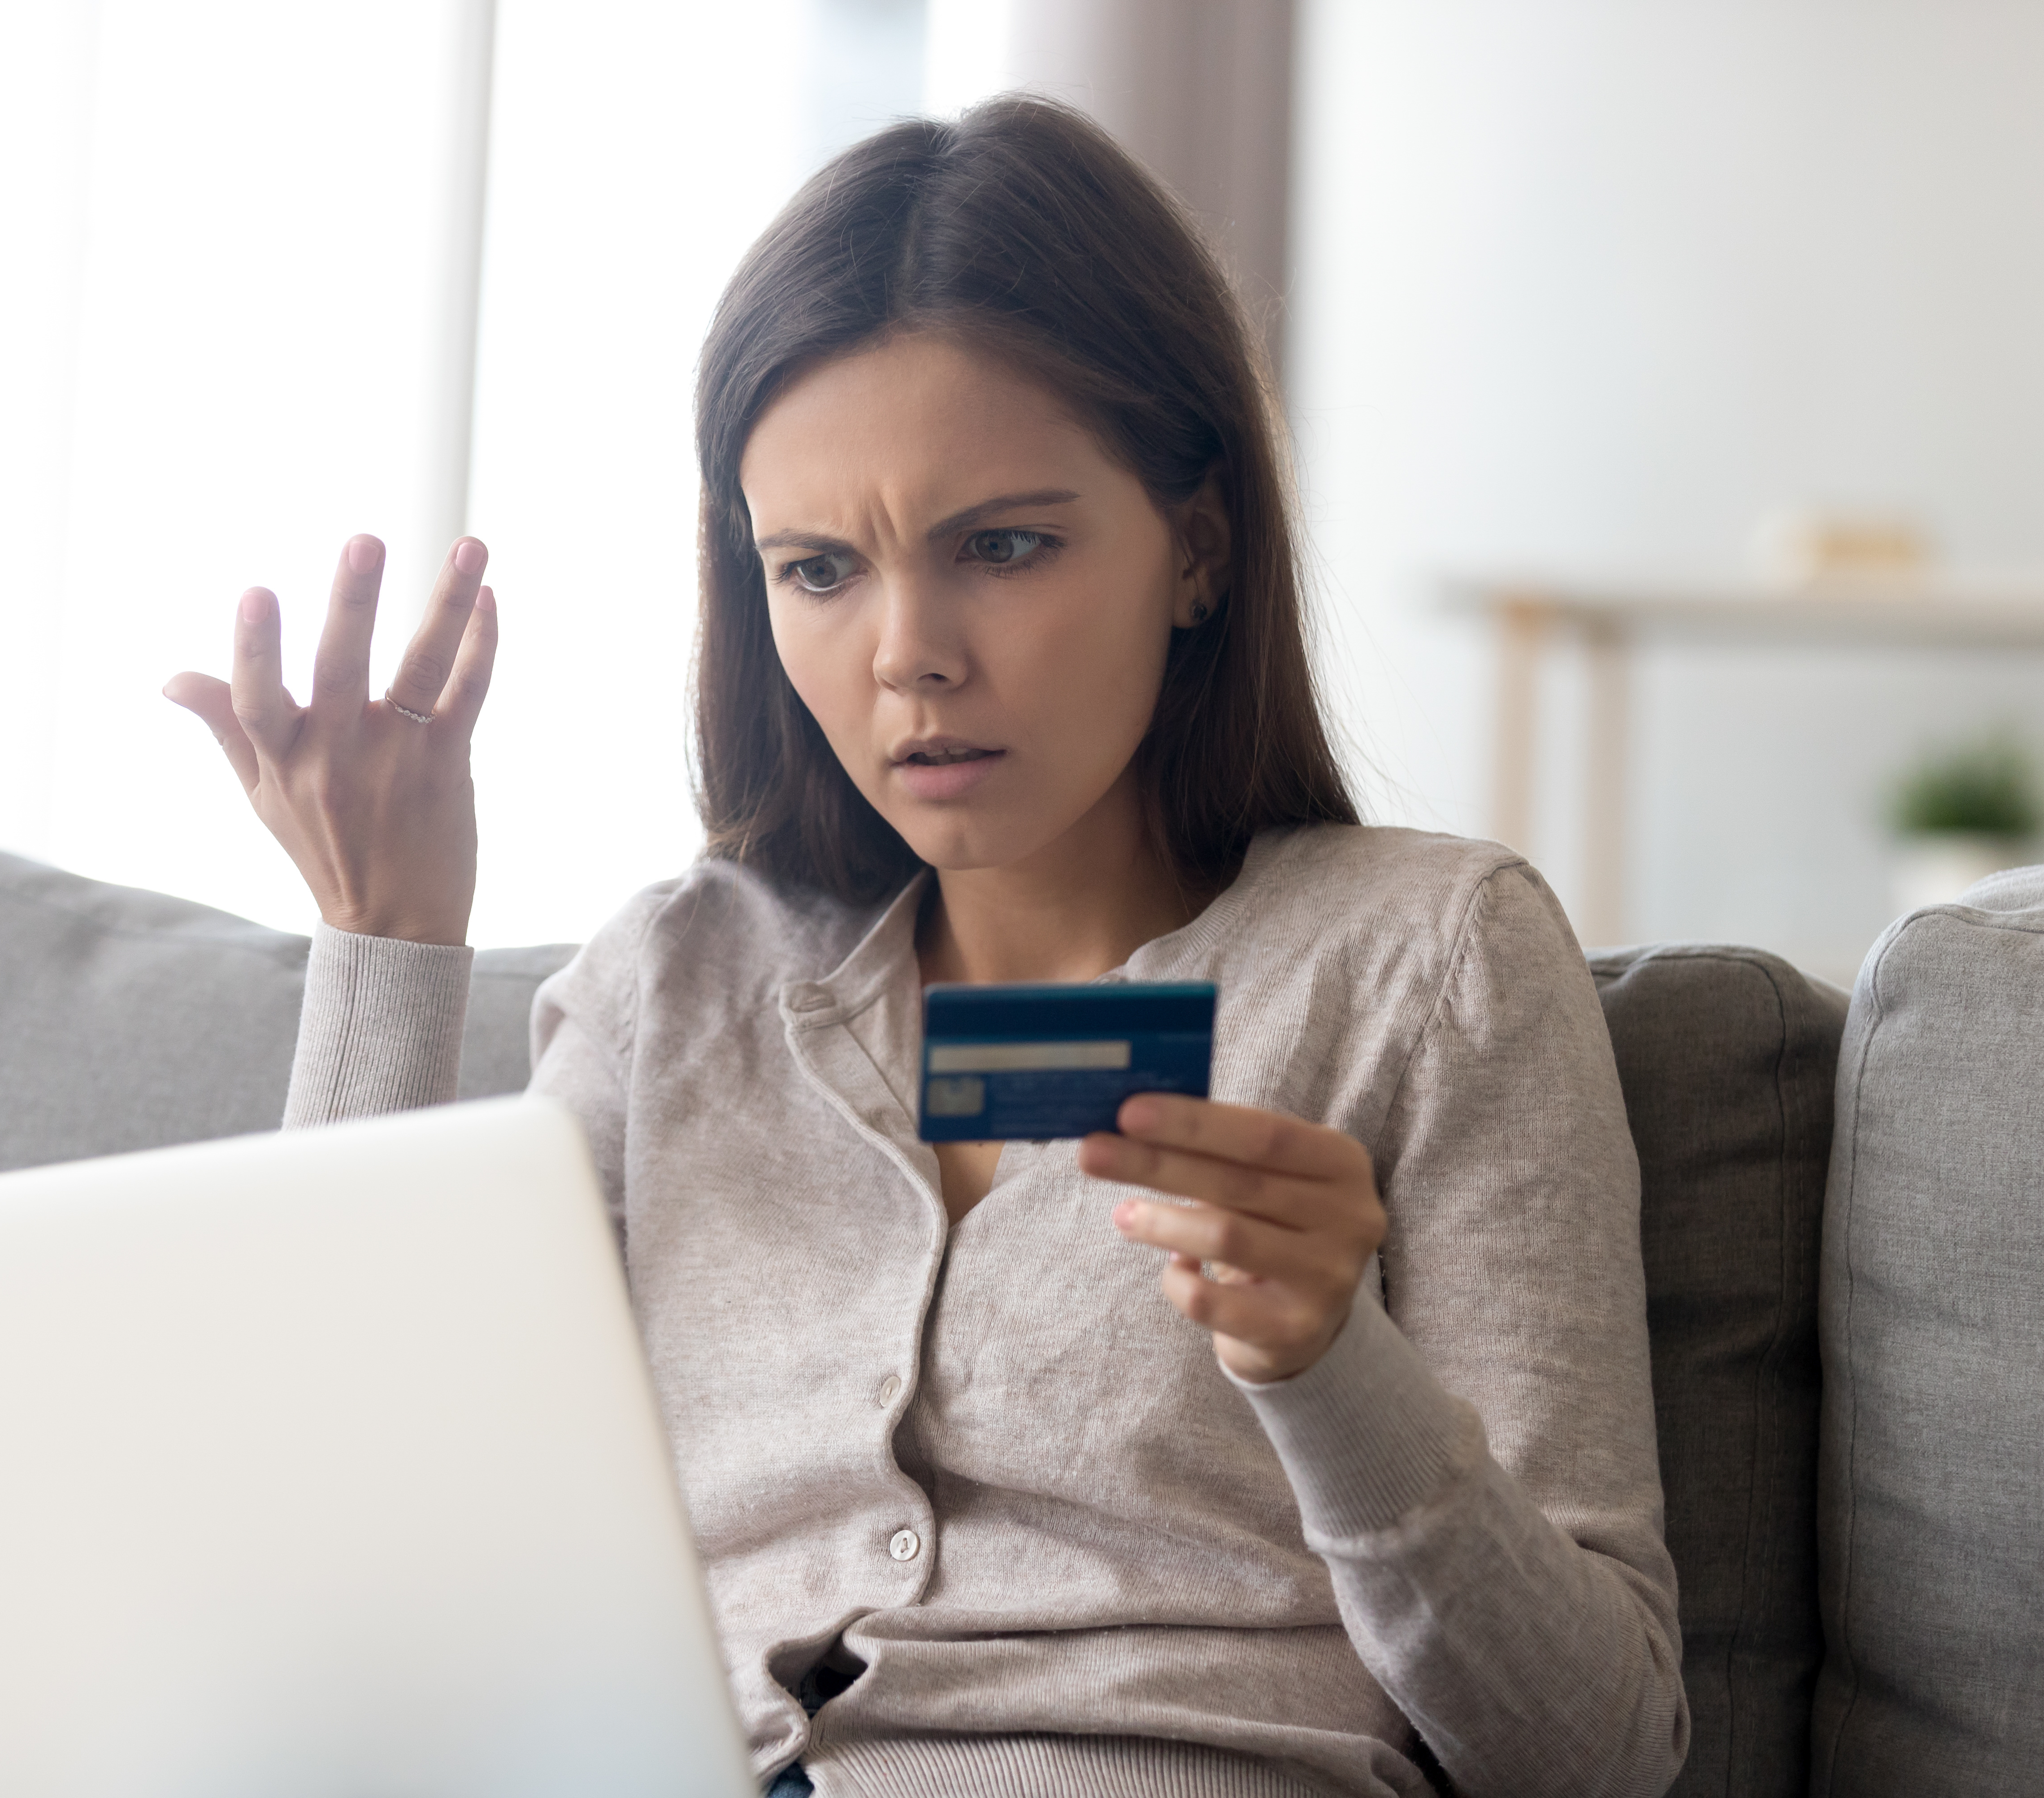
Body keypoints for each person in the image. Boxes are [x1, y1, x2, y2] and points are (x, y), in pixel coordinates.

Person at [166, 96, 1685, 1798]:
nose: (910, 657)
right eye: (819, 569)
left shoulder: (1429, 961)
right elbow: (330, 1571)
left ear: (1197, 548)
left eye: (1003, 547)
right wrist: (384, 942)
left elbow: (1603, 1752)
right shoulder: (682, 981)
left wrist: (1333, 1370)